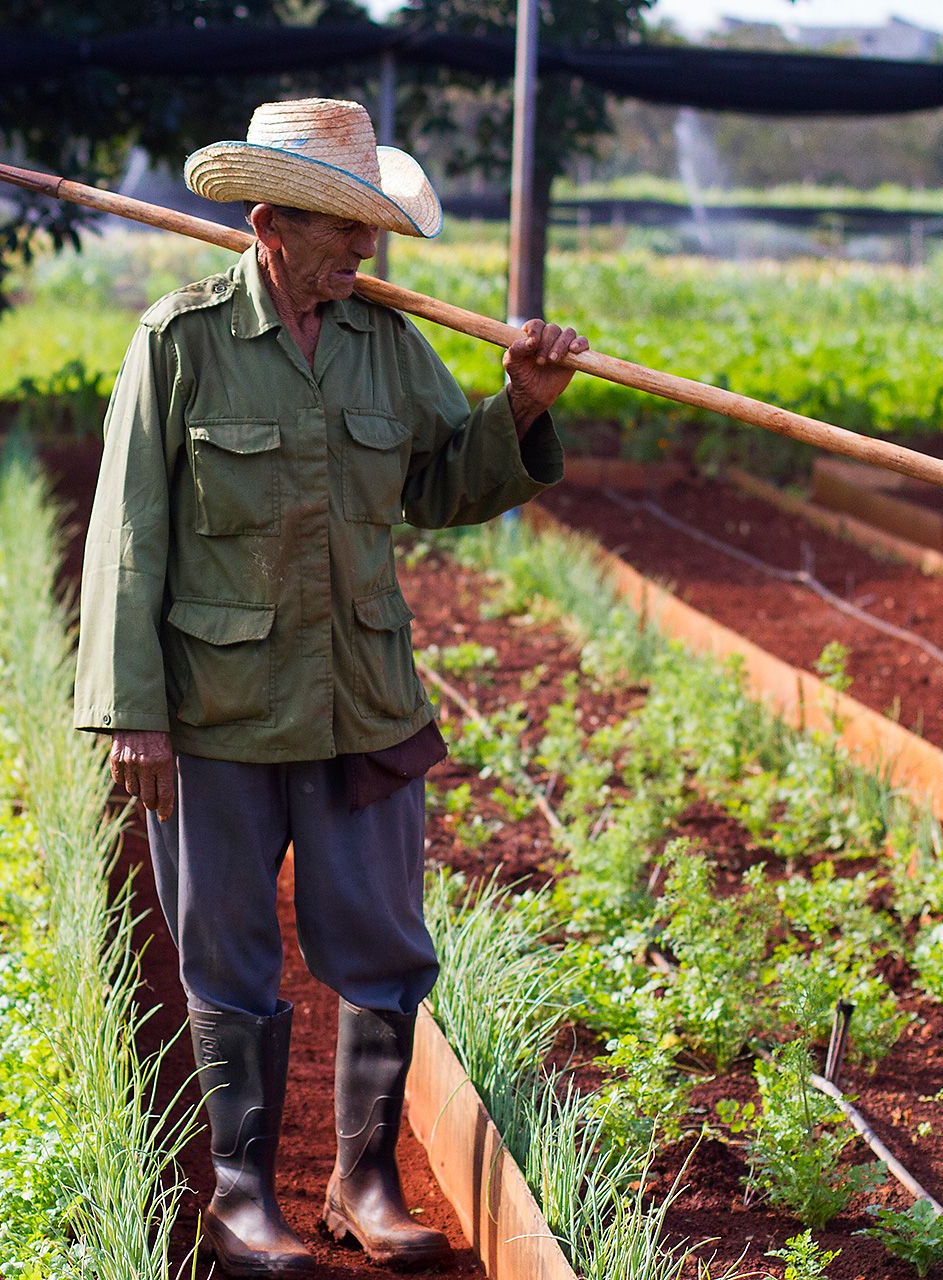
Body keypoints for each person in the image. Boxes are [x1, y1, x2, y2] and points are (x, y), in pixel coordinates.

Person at [73, 98, 588, 1277]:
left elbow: (443, 485)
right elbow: (127, 539)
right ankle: (243, 1197)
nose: (367, 251)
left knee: (382, 942)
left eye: (373, 228)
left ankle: (362, 1179)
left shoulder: (383, 344)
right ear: (267, 222)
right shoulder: (180, 342)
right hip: (218, 712)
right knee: (229, 953)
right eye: (343, 229)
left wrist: (522, 404)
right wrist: (131, 711)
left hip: (363, 697)